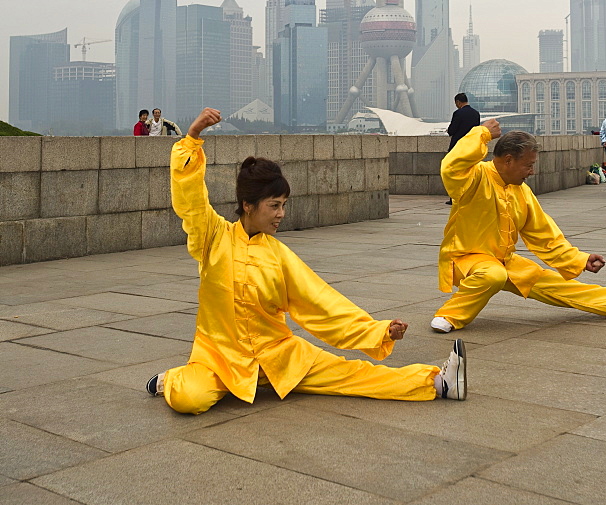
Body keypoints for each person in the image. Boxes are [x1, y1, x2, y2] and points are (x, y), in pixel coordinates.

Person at [146, 107, 468, 411]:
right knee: (190, 398)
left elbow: (323, 306)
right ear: (247, 205)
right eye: (274, 205)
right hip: (219, 358)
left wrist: (378, 331)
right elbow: (190, 200)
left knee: (352, 375)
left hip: (278, 356)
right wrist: (191, 139)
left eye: (284, 205)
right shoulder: (213, 238)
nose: (281, 214)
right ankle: (173, 379)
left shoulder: (280, 256)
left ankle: (439, 382)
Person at [429, 120, 606, 334]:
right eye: (528, 165)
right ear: (508, 159)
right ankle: (449, 315)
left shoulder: (520, 190)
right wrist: (481, 133)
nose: (532, 171)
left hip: (502, 260)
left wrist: (579, 260)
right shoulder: (473, 178)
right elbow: (451, 165)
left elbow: (545, 235)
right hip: (465, 258)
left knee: (551, 283)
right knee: (493, 274)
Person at [444, 93, 481, 205]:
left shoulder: (458, 113)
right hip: (471, 146)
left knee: (455, 172)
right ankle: (470, 196)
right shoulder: (476, 113)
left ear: (458, 102)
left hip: (458, 147)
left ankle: (455, 197)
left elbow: (452, 130)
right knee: (470, 172)